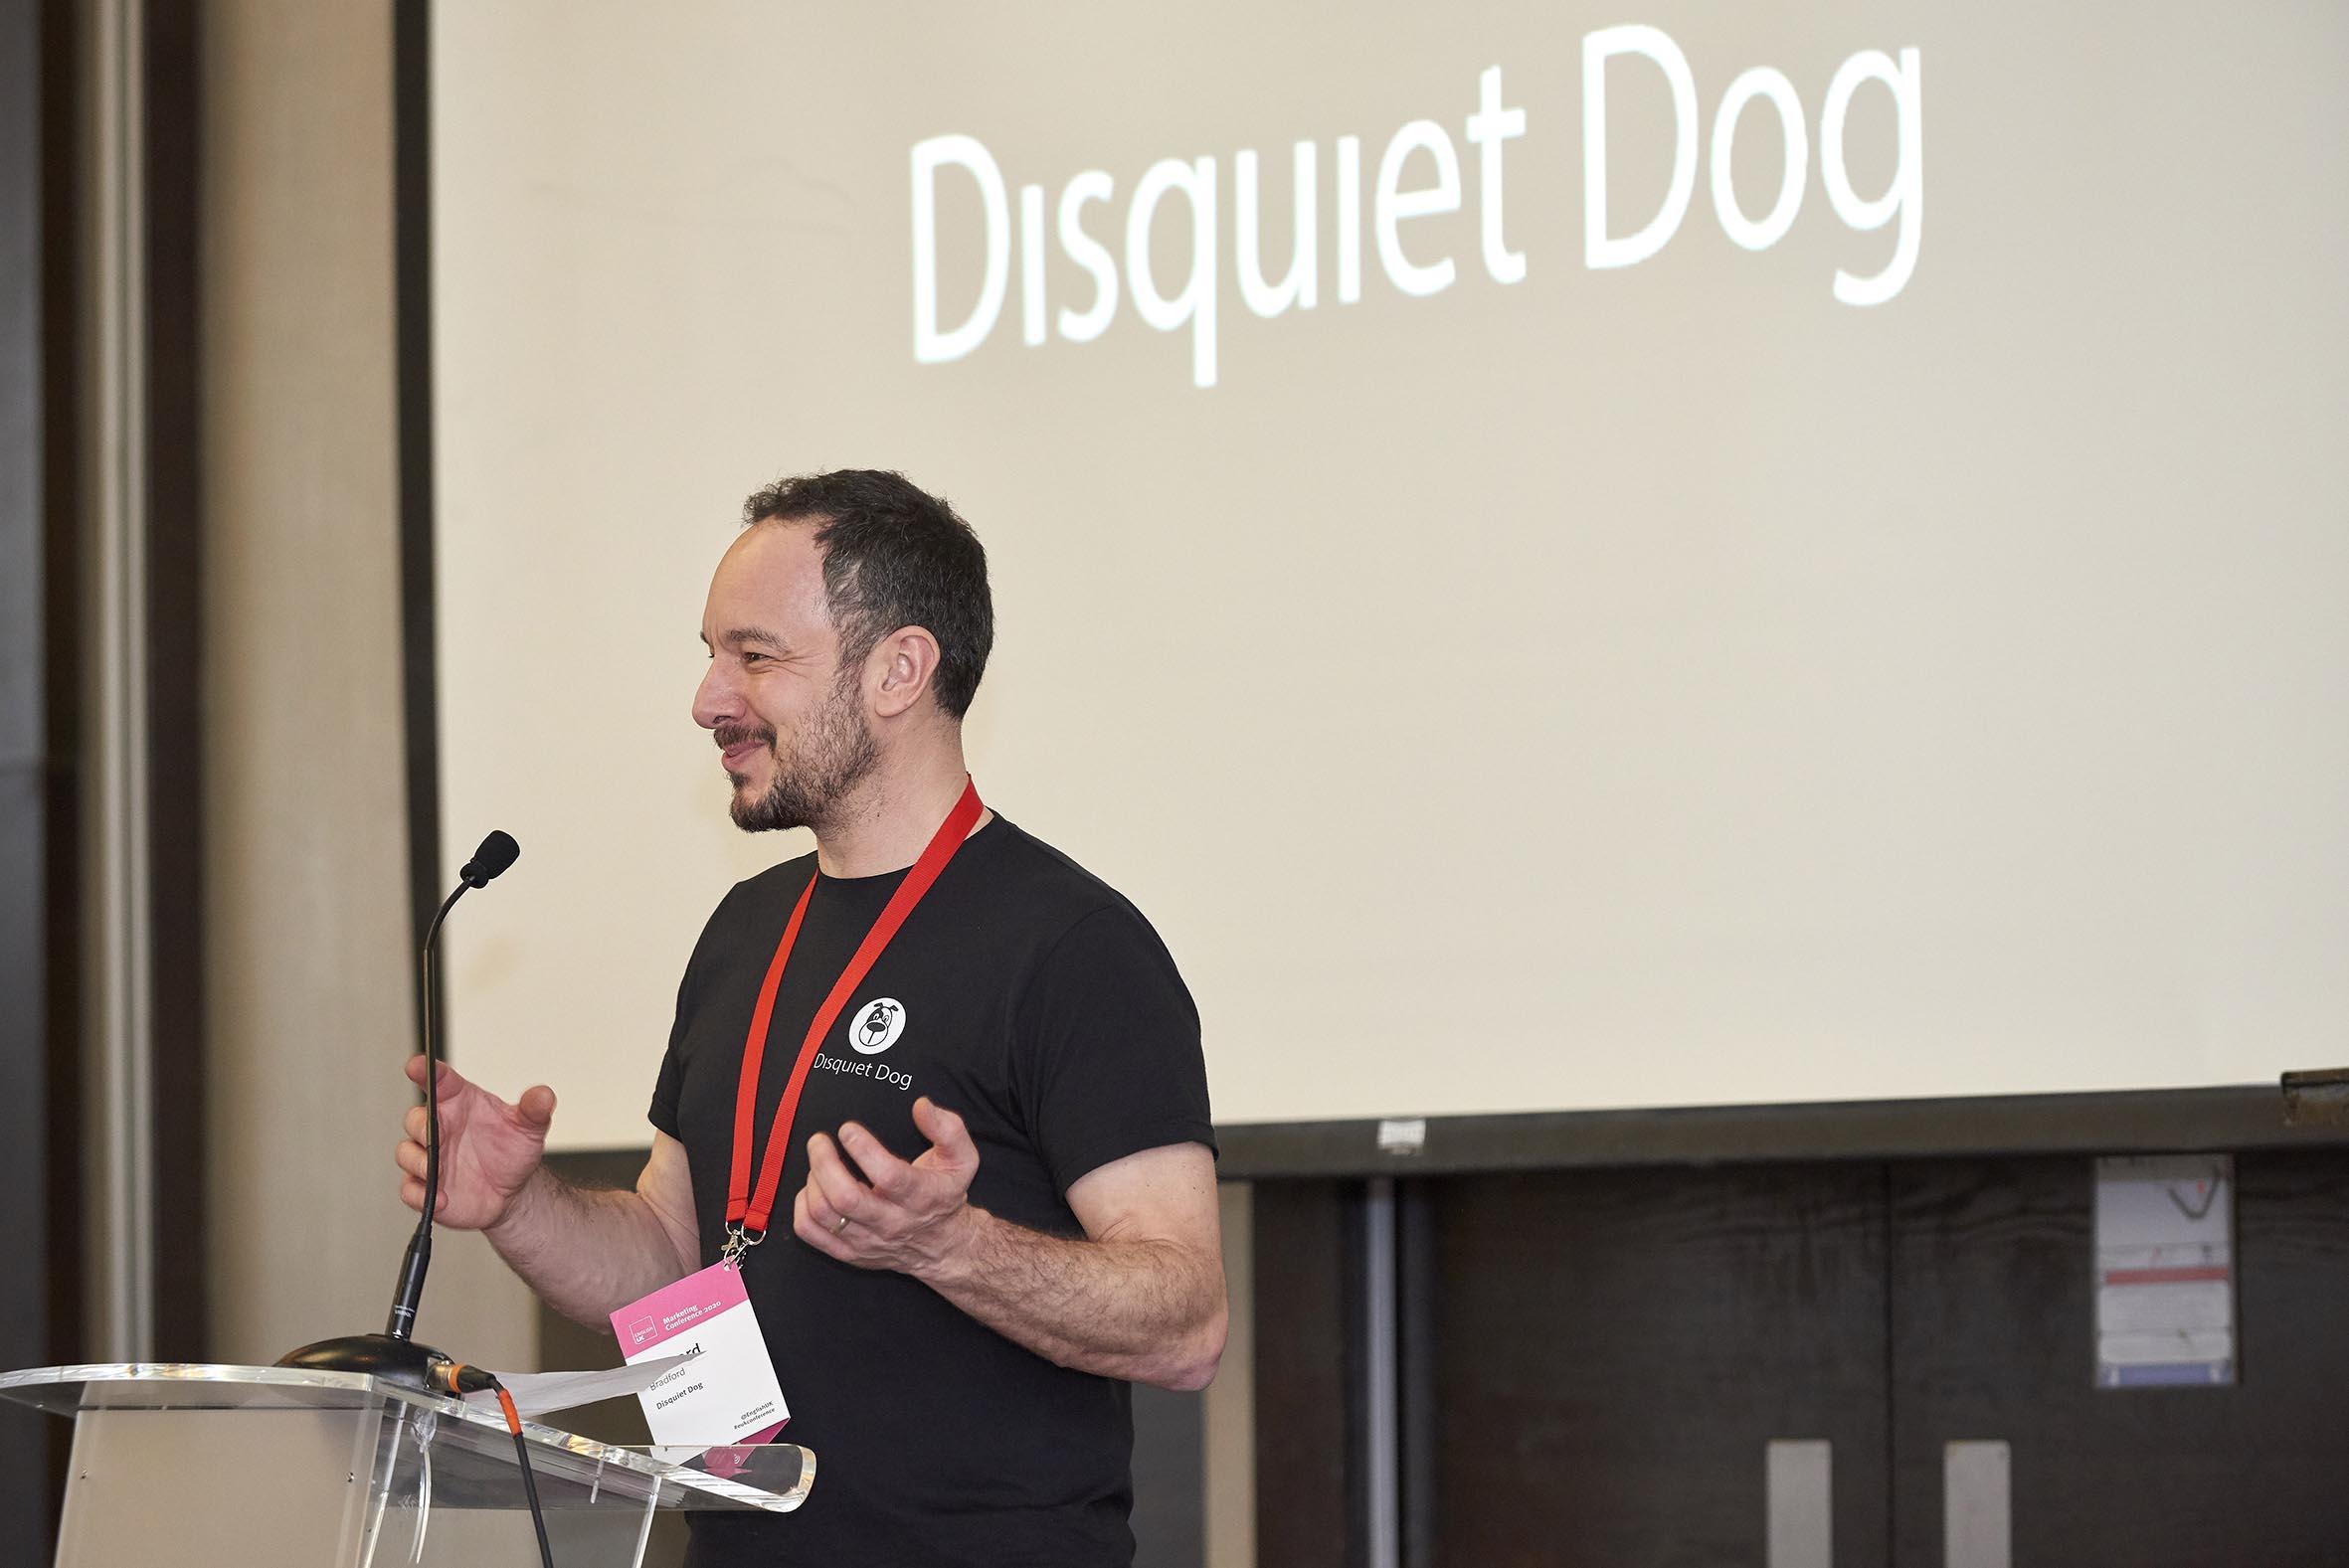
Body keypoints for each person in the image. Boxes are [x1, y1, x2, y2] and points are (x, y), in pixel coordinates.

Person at [394, 469, 1225, 1566]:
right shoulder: (745, 928)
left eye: (754, 655)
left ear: (899, 669)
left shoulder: (1072, 946)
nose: (707, 698)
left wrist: (951, 1245)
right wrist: (516, 1203)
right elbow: (672, 1267)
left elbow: (1187, 1321)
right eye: (709, 653)